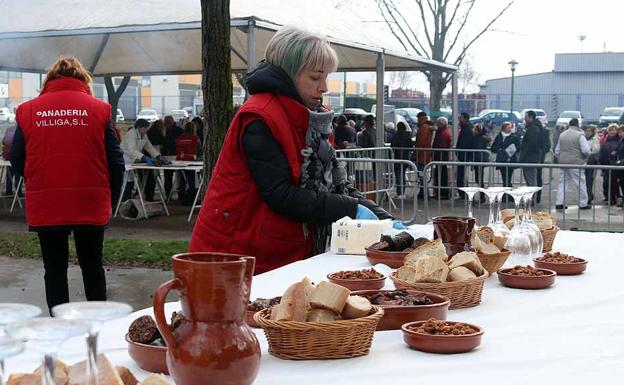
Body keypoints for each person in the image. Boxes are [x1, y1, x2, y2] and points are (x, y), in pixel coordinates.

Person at [189, 26, 393, 274]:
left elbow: (336, 185)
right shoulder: (260, 116)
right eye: (315, 77)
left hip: (277, 250)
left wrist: (382, 217)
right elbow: (281, 194)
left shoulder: (313, 118)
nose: (324, 87)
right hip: (237, 254)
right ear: (288, 75)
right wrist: (350, 209)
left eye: (326, 77)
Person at [9, 56, 125, 314]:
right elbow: (116, 162)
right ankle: (97, 325)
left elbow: (16, 158)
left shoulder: (29, 111)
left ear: (49, 81)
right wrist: (111, 195)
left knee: (54, 269)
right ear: (84, 80)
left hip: (47, 203)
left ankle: (59, 326)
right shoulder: (99, 109)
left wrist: (37, 179)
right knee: (92, 265)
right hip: (90, 200)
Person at [120, 118, 162, 201]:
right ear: (139, 127)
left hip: (135, 160)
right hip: (126, 160)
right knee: (128, 181)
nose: (147, 130)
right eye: (145, 128)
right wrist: (144, 157)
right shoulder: (131, 134)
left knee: (141, 179)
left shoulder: (144, 135)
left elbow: (149, 146)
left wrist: (158, 156)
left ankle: (145, 198)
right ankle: (125, 200)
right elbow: (132, 150)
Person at [554, 118, 590, 210]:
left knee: (563, 183)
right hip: (576, 163)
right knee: (580, 183)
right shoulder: (580, 135)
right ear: (578, 125)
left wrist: (561, 158)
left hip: (563, 163)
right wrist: (585, 157)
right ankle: (583, 203)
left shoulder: (562, 135)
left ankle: (559, 202)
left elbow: (557, 151)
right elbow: (586, 150)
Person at [176, 122, 201, 205]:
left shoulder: (179, 138)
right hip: (192, 160)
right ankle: (192, 198)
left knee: (182, 179)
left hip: (180, 161)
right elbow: (199, 149)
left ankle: (183, 197)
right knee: (193, 181)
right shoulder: (195, 138)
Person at [520, 110, 545, 192]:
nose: (524, 118)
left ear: (531, 117)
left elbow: (532, 144)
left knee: (531, 180)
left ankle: (532, 199)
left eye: (526, 117)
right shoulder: (534, 127)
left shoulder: (533, 129)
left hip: (530, 158)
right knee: (530, 179)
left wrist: (524, 153)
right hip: (531, 157)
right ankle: (532, 199)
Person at [490, 121, 521, 187]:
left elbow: (519, 147)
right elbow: (493, 148)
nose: (510, 129)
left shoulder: (514, 137)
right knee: (505, 179)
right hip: (502, 160)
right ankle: (507, 195)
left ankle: (508, 195)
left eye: (510, 128)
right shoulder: (499, 136)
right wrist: (499, 150)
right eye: (508, 128)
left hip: (510, 160)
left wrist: (513, 149)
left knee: (507, 179)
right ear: (503, 128)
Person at [390, 121, 413, 198]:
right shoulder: (408, 135)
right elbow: (411, 145)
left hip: (398, 156)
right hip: (406, 157)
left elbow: (392, 145)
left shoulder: (396, 135)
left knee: (398, 175)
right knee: (403, 173)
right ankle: (402, 192)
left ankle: (400, 192)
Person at [431, 117, 452, 199]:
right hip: (441, 156)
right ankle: (440, 192)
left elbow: (441, 145)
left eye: (438, 123)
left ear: (442, 124)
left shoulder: (443, 133)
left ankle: (442, 193)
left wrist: (434, 151)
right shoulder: (443, 132)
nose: (437, 125)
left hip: (441, 157)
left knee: (441, 175)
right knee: (440, 174)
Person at [599, 124, 620, 204]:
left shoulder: (619, 140)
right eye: (611, 130)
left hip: (615, 164)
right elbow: (602, 151)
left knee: (613, 182)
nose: (612, 131)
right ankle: (608, 197)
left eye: (614, 130)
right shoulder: (605, 140)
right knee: (606, 182)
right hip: (605, 164)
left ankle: (613, 198)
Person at [163, 115, 183, 198]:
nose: (166, 124)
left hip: (170, 155)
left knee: (168, 176)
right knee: (180, 176)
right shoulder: (179, 130)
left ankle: (169, 195)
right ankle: (180, 194)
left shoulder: (165, 131)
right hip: (174, 155)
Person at [456, 112, 474, 198]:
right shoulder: (466, 127)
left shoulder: (466, 128)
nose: (459, 119)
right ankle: (463, 192)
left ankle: (463, 193)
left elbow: (464, 143)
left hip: (464, 154)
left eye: (461, 118)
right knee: (461, 174)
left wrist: (460, 152)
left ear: (465, 119)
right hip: (463, 154)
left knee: (461, 174)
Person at [2, 124, 22, 197]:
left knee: (9, 173)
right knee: (18, 174)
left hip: (7, 156)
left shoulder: (9, 128)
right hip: (17, 156)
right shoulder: (21, 129)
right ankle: (18, 192)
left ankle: (8, 191)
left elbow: (3, 141)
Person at [584, 125, 600, 205]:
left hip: (591, 161)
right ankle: (588, 195)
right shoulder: (584, 138)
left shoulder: (595, 139)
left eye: (589, 131)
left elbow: (595, 149)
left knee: (589, 180)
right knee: (584, 180)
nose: (587, 132)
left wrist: (588, 151)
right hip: (584, 161)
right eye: (586, 131)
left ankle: (589, 197)